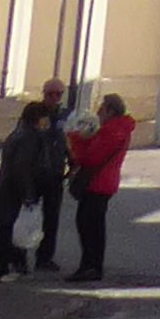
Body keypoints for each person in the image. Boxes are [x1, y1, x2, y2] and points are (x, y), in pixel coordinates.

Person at [67, 95, 136, 282]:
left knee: (88, 226)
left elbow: (92, 157)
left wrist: (75, 142)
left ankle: (90, 266)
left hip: (97, 183)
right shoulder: (119, 129)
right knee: (93, 225)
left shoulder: (111, 131)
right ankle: (92, 265)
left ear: (111, 111)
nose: (98, 112)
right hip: (106, 182)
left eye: (102, 109)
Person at [0, 105, 48, 283]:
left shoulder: (19, 132)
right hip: (14, 190)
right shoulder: (30, 137)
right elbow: (22, 167)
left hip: (6, 187)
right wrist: (28, 194)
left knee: (8, 229)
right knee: (7, 230)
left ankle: (4, 267)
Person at [27, 80, 72, 270]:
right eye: (51, 94)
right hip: (35, 172)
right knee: (28, 215)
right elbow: (32, 136)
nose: (54, 98)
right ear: (43, 93)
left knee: (51, 218)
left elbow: (66, 139)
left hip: (55, 173)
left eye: (58, 94)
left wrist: (72, 161)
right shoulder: (34, 112)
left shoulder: (63, 115)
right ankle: (18, 255)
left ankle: (44, 257)